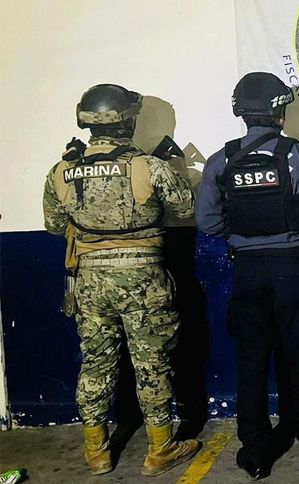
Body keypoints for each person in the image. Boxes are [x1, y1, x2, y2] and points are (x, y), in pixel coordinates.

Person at [42, 83, 200, 476]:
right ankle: (160, 449)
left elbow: (55, 225)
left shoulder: (62, 171)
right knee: (152, 363)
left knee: (95, 362)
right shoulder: (150, 166)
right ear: (127, 121)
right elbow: (185, 209)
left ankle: (97, 453)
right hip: (143, 278)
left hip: (91, 281)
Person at [195, 72, 299, 479]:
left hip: (248, 271)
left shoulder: (221, 160)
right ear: (280, 113)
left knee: (252, 362)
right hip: (293, 270)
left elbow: (207, 221)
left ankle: (257, 454)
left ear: (241, 112)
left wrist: (243, 234)